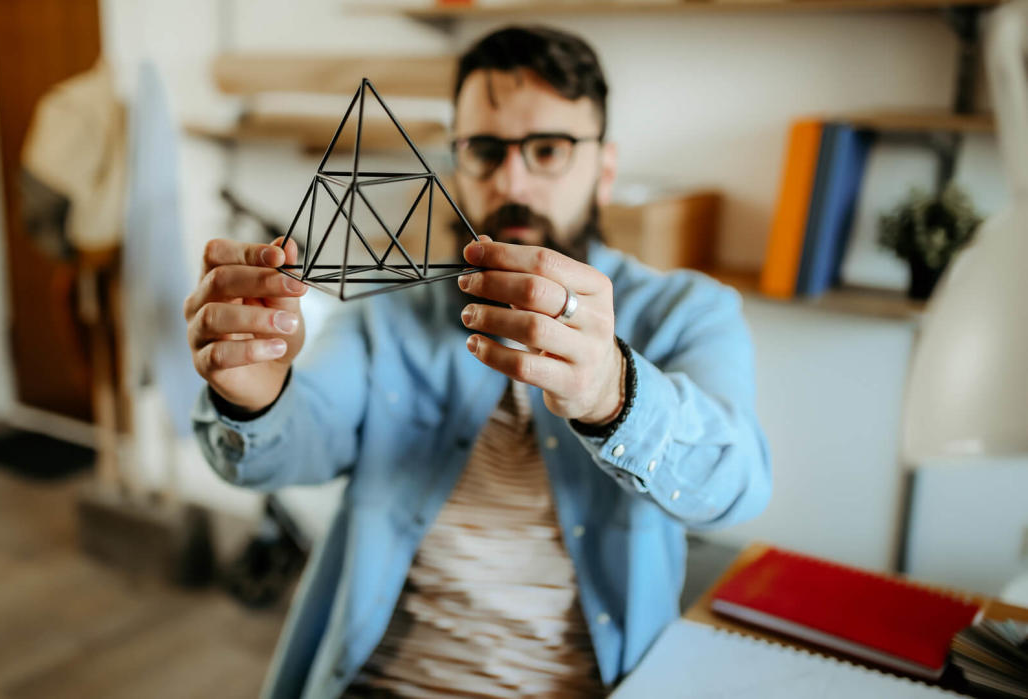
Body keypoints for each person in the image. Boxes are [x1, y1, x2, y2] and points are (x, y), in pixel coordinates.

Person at [185, 25, 771, 698]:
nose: (511, 180)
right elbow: (287, 447)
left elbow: (737, 485)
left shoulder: (687, 313)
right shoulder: (390, 315)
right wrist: (252, 397)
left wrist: (615, 390)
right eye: (485, 150)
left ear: (605, 171)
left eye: (547, 149)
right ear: (456, 161)